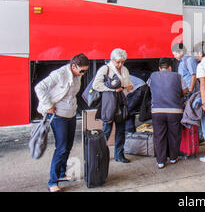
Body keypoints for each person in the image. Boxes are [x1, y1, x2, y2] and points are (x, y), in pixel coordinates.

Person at [35, 53, 89, 192]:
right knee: (61, 147)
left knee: (68, 145)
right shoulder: (59, 74)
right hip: (58, 115)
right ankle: (52, 182)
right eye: (81, 70)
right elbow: (39, 87)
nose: (83, 73)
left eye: (85, 71)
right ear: (73, 66)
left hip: (70, 114)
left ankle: (61, 174)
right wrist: (47, 105)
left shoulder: (77, 75)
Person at [93, 48, 133, 163]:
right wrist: (111, 89)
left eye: (122, 62)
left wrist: (127, 88)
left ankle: (119, 155)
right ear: (112, 60)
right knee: (106, 130)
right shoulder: (105, 69)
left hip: (121, 102)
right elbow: (96, 85)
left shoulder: (124, 69)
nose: (120, 64)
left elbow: (128, 85)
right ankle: (100, 155)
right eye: (118, 62)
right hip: (109, 103)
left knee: (121, 130)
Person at [149, 58, 184, 169]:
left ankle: (161, 161)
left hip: (157, 111)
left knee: (159, 136)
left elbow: (150, 87)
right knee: (174, 134)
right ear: (170, 67)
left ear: (159, 68)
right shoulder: (178, 76)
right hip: (174, 111)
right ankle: (173, 157)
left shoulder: (153, 76)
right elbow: (185, 90)